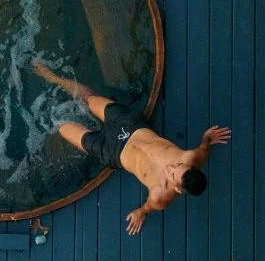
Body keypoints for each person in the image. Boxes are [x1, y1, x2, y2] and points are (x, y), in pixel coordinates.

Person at [33, 61, 230, 235]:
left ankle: (38, 117)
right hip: (131, 126)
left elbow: (148, 207)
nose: (171, 166)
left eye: (172, 173)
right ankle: (51, 77)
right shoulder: (194, 157)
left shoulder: (160, 196)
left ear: (177, 188)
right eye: (177, 164)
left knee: (62, 128)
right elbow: (204, 148)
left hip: (113, 151)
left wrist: (140, 213)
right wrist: (207, 139)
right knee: (90, 99)